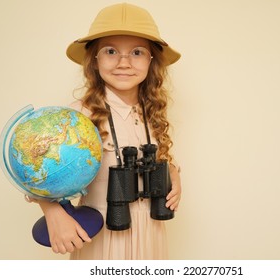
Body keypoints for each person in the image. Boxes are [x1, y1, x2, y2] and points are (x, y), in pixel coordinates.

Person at [36, 3, 182, 259]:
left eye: (137, 52)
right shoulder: (78, 116)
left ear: (151, 61)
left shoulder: (152, 112)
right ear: (95, 59)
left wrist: (173, 175)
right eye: (111, 51)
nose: (124, 62)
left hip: (151, 238)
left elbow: (162, 159)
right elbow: (36, 171)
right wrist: (53, 213)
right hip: (104, 238)